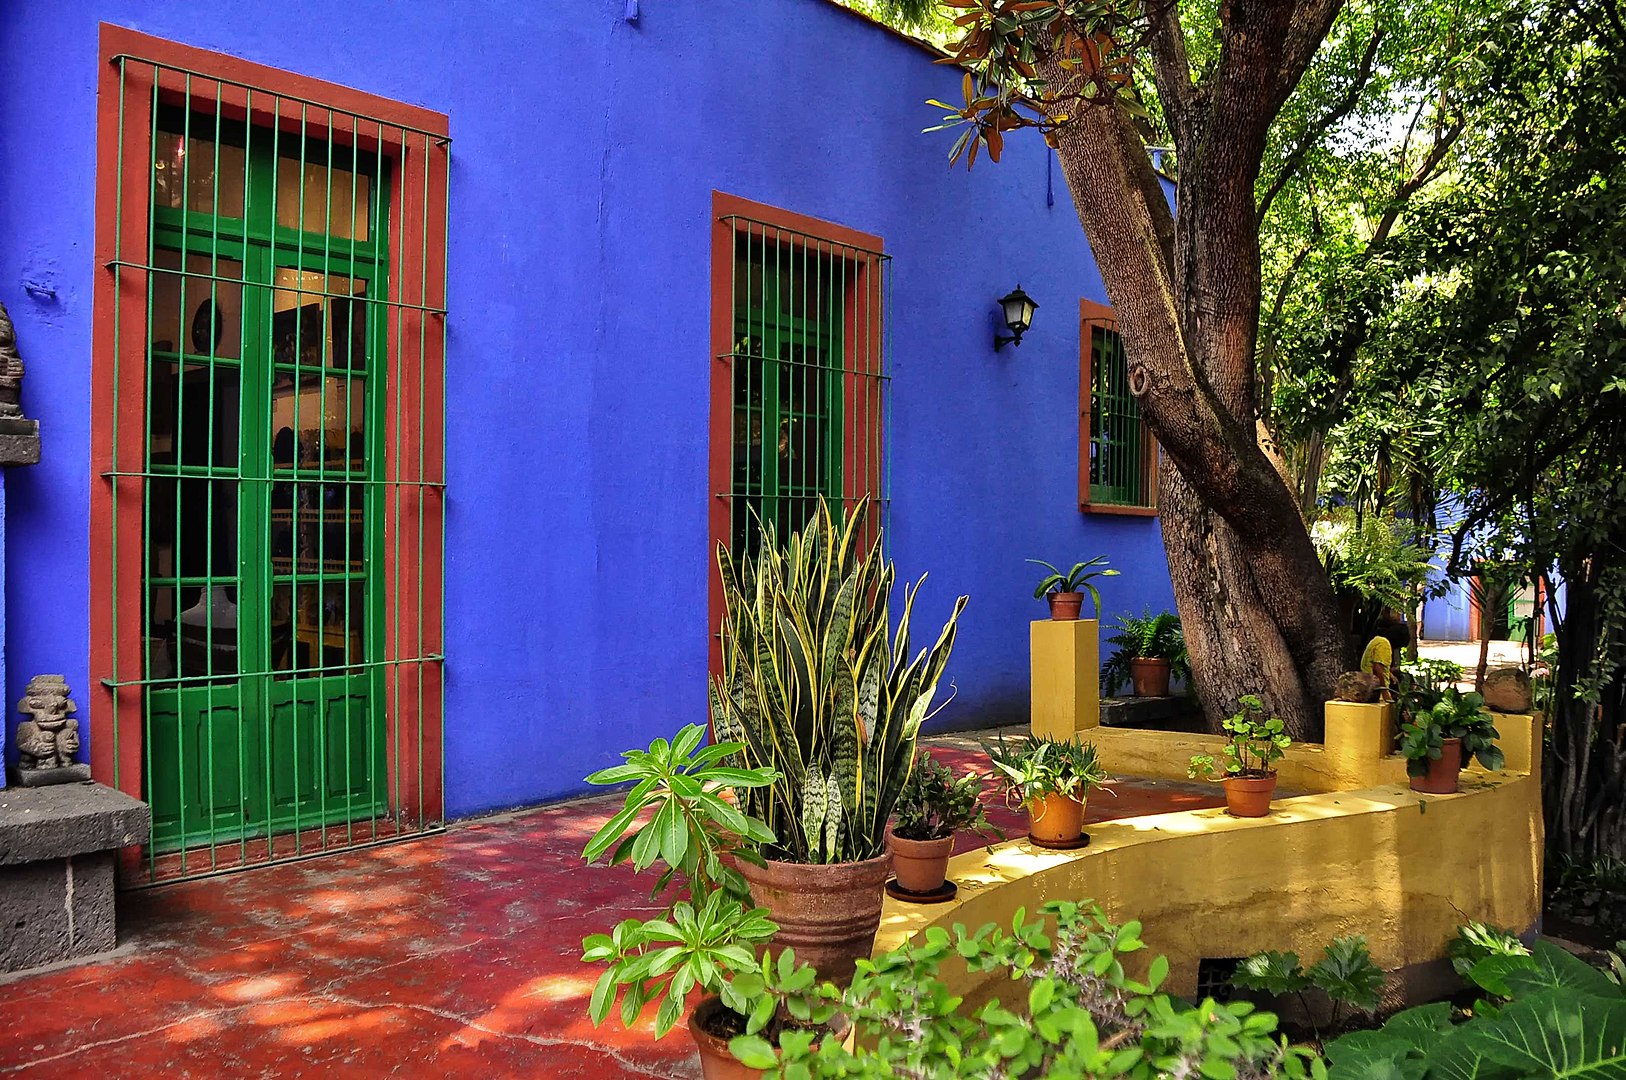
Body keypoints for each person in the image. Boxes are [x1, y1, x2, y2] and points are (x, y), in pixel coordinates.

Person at [1360, 619, 1412, 690]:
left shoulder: (1379, 640)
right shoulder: (1384, 644)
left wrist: (1391, 675)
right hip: (1374, 688)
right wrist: (1384, 691)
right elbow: (1378, 668)